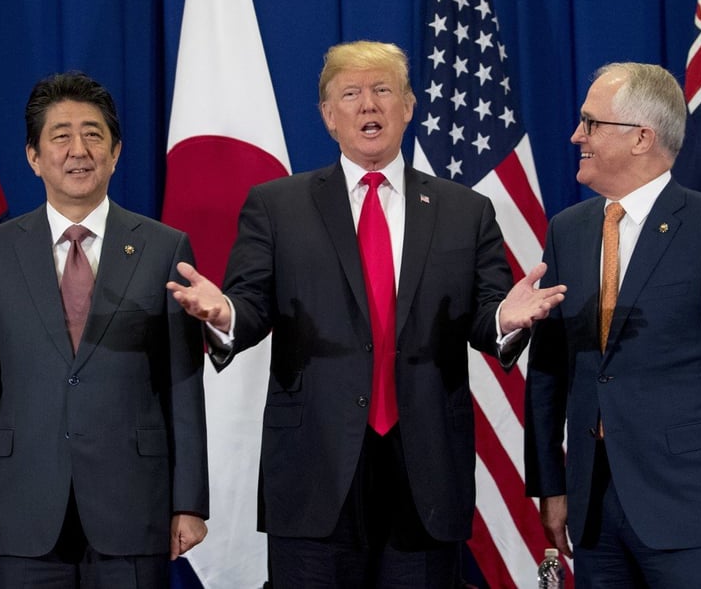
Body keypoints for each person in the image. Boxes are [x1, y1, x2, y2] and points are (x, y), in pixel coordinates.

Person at [168, 41, 566, 587]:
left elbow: (485, 317)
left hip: (425, 468)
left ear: (408, 106)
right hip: (314, 468)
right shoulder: (277, 206)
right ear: (329, 117)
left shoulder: (465, 210)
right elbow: (251, 309)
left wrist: (504, 320)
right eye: (350, 94)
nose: (367, 105)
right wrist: (225, 314)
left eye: (382, 91)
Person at [524, 62, 701, 587]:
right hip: (595, 510)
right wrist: (551, 483)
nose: (576, 135)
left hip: (692, 506)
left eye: (590, 123)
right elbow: (549, 367)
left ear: (641, 138)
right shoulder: (568, 230)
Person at [0, 71, 209, 588]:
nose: (79, 149)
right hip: (23, 506)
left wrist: (189, 502)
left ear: (115, 153)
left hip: (133, 504)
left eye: (93, 134)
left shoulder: (164, 247)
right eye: (61, 135)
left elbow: (183, 384)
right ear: (33, 156)